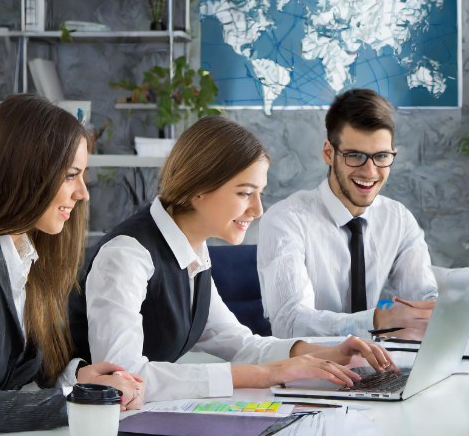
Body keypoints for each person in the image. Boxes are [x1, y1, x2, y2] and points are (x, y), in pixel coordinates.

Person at [69, 115, 398, 403]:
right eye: (244, 193)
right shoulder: (127, 255)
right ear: (198, 187)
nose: (258, 211)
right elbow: (122, 380)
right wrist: (262, 375)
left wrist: (325, 352)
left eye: (260, 193)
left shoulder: (193, 251)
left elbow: (241, 345)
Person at [0, 94, 144, 436]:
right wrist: (81, 400)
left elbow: (11, 376)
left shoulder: (24, 254)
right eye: (71, 175)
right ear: (25, 173)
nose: (83, 193)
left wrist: (76, 379)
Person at [257, 89, 439, 340]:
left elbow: (423, 298)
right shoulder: (285, 220)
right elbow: (289, 323)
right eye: (355, 156)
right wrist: (377, 320)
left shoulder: (398, 219)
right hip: (312, 372)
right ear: (329, 153)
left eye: (382, 156)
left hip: (381, 370)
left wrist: (439, 311)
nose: (370, 171)